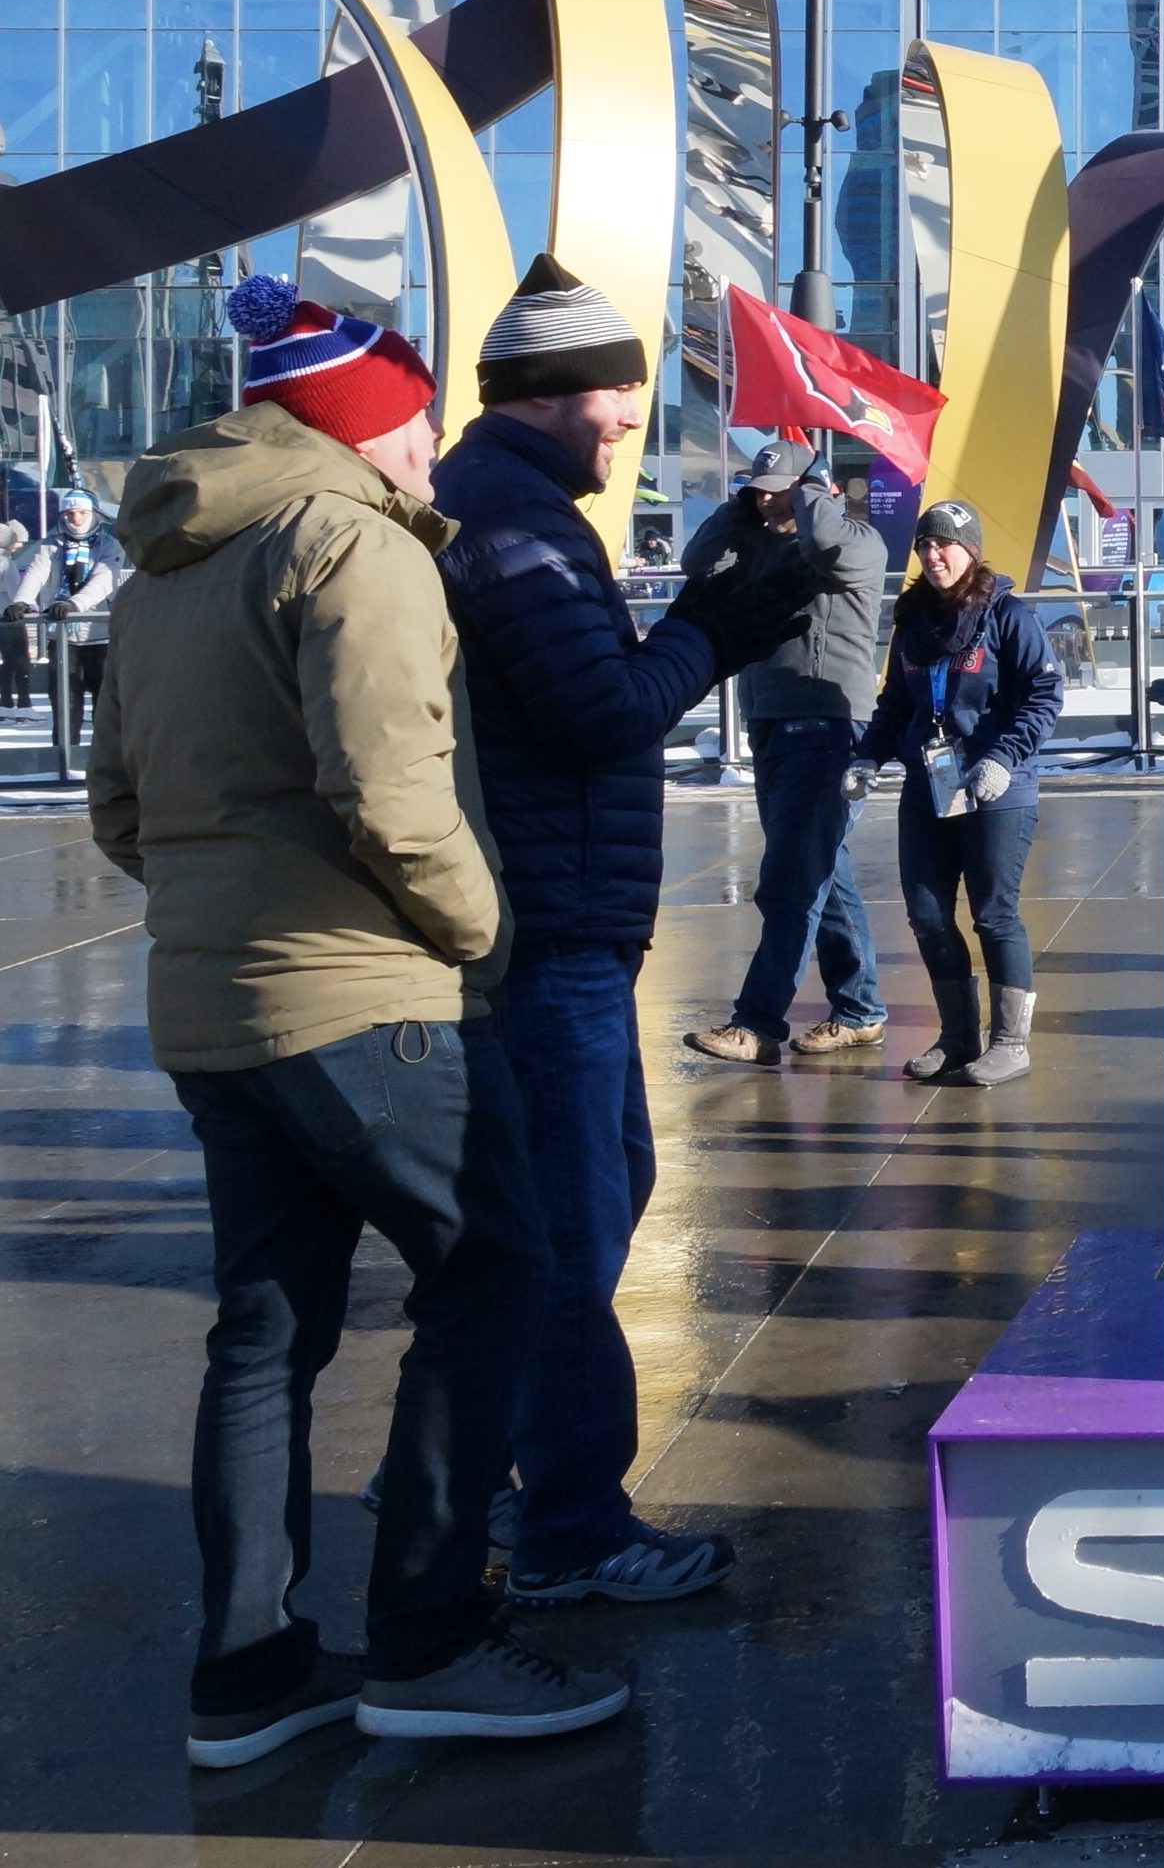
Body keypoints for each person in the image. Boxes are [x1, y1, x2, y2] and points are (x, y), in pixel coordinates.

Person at [89, 277, 629, 1759]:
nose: (426, 452)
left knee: (264, 1335)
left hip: (211, 1012)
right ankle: (431, 1638)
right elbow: (391, 792)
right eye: (411, 422)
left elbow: (119, 807)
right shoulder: (357, 546)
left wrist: (224, 906)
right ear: (368, 420)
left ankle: (248, 1670)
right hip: (366, 1003)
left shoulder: (163, 567)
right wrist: (483, 932)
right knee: (493, 1276)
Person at [431, 252, 818, 1609]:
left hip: (560, 925)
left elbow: (579, 685)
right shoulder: (518, 525)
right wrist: (707, 633)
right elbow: (597, 712)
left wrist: (695, 623)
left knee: (596, 1202)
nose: (624, 425)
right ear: (548, 395)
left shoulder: (511, 507)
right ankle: (567, 1526)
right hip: (552, 935)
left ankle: (471, 1468)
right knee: (568, 1234)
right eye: (613, 399)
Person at [680, 441, 894, 1067]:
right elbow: (698, 562)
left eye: (779, 486)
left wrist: (806, 495)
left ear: (815, 487)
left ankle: (758, 1022)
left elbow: (828, 543)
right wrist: (738, 510)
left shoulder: (856, 540)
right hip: (771, 724)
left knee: (791, 881)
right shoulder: (759, 541)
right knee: (824, 872)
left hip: (831, 729)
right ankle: (860, 1008)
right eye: (758, 485)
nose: (765, 496)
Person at [851, 500, 1062, 1085]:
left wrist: (1002, 757)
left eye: (943, 543)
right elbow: (896, 703)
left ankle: (1010, 1042)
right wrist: (868, 755)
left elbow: (1043, 698)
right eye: (923, 545)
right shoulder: (913, 623)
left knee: (994, 915)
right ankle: (958, 1037)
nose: (932, 554)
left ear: (971, 548)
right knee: (926, 914)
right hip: (930, 783)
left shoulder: (1007, 616)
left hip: (996, 784)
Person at [6, 484, 122, 743]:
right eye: (70, 514)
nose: (76, 519)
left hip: (100, 638)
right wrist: (21, 601)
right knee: (65, 702)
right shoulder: (51, 544)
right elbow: (37, 571)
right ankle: (64, 759)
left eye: (81, 513)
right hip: (62, 638)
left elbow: (104, 580)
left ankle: (106, 761)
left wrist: (74, 604)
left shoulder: (109, 545)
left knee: (106, 706)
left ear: (93, 514)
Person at [0, 516, 27, 709]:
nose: (20, 546)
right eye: (18, 541)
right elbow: (15, 592)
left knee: (7, 663)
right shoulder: (6, 564)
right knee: (18, 661)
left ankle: (6, 700)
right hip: (10, 619)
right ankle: (22, 702)